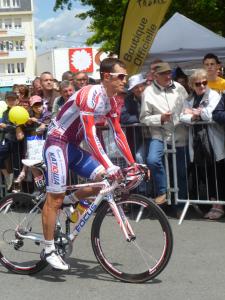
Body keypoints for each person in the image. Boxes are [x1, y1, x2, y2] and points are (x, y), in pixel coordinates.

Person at [41, 58, 137, 270]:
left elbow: (118, 133)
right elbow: (90, 134)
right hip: (57, 142)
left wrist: (133, 163)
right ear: (106, 77)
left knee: (106, 181)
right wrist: (109, 163)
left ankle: (70, 199)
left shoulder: (111, 101)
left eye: (126, 77)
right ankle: (49, 248)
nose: (124, 80)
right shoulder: (89, 94)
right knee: (54, 198)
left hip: (72, 147)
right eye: (120, 76)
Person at [140, 62, 188, 207]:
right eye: (164, 74)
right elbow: (143, 118)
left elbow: (188, 107)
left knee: (181, 171)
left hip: (179, 135)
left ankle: (180, 204)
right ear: (156, 76)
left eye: (169, 73)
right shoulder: (148, 92)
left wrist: (188, 114)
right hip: (159, 135)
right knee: (153, 160)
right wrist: (160, 118)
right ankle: (163, 192)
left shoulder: (179, 88)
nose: (168, 76)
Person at [180, 69, 225, 220]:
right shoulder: (189, 98)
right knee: (205, 173)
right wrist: (194, 115)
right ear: (192, 85)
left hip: (213, 140)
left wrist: (194, 112)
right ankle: (212, 203)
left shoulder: (213, 95)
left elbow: (209, 114)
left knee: (216, 173)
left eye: (204, 82)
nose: (202, 86)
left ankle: (218, 206)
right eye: (198, 84)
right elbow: (182, 116)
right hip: (197, 141)